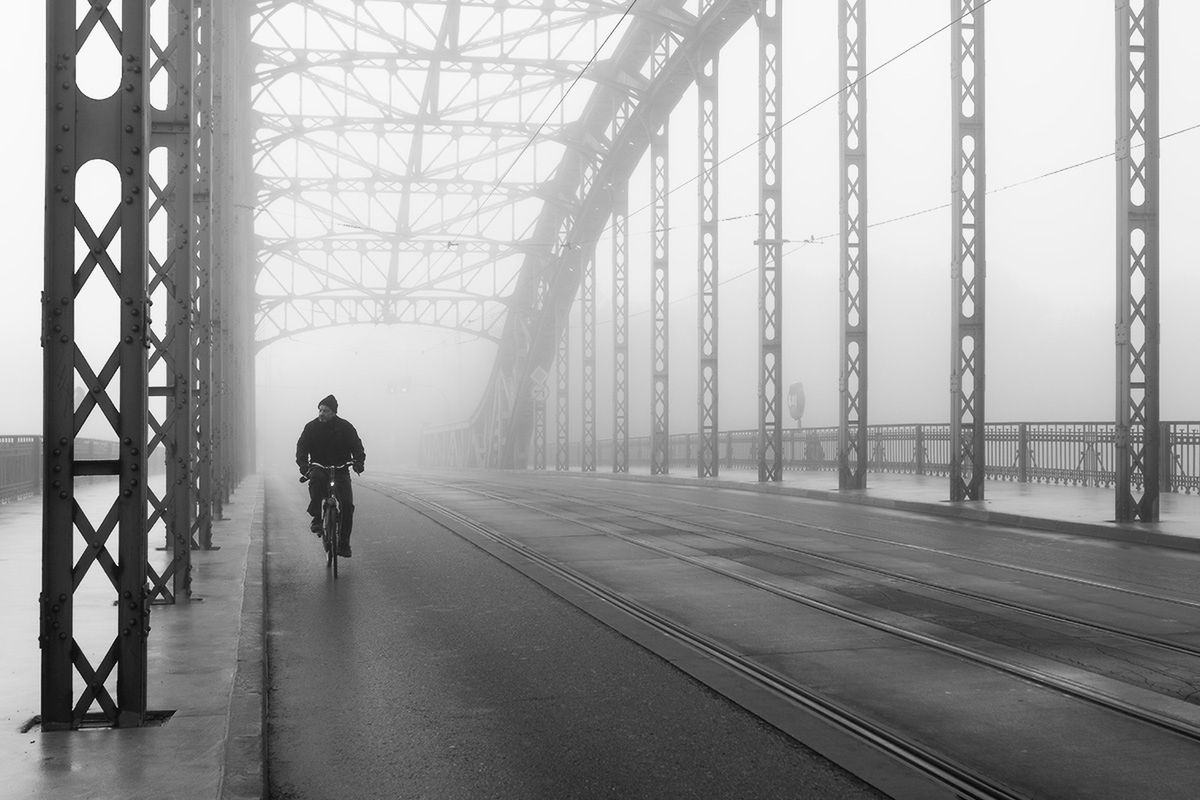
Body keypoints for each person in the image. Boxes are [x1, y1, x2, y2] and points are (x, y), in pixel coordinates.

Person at [295, 394, 365, 557]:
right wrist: (303, 465)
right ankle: (317, 519)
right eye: (320, 410)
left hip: (340, 469)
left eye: (325, 410)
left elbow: (357, 447)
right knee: (316, 481)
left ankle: (344, 544)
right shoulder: (311, 428)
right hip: (319, 467)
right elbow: (302, 448)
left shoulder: (345, 427)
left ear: (333, 412)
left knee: (347, 505)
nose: (321, 413)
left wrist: (358, 462)